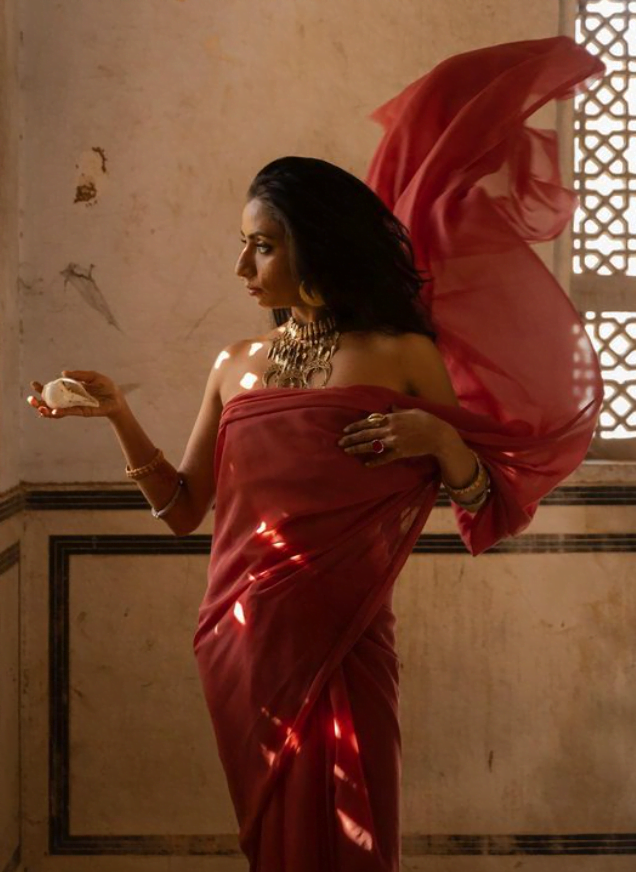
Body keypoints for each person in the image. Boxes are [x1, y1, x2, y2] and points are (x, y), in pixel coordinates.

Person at [27, 36, 604, 872]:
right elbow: (187, 512)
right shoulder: (232, 366)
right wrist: (118, 412)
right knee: (274, 847)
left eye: (260, 246)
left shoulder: (402, 356)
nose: (241, 267)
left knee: (354, 837)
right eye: (243, 244)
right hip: (239, 646)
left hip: (347, 644)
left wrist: (442, 439)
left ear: (316, 247)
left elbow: (485, 502)